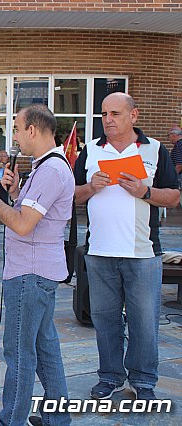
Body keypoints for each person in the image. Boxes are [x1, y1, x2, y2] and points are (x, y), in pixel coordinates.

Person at [0, 104, 73, 426]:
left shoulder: (51, 170)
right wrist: (12, 192)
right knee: (45, 350)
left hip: (30, 273)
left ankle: (10, 420)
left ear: (32, 130)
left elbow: (23, 224)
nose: (14, 136)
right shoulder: (44, 167)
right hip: (36, 271)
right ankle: (58, 419)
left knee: (19, 353)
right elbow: (27, 213)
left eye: (16, 128)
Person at [74, 93, 179, 401]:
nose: (108, 119)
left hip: (142, 253)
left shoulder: (155, 149)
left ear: (133, 116)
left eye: (115, 113)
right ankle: (110, 377)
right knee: (105, 320)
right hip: (100, 252)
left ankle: (144, 382)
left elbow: (174, 196)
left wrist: (144, 191)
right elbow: (72, 196)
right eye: (104, 113)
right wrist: (92, 186)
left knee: (144, 323)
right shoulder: (91, 149)